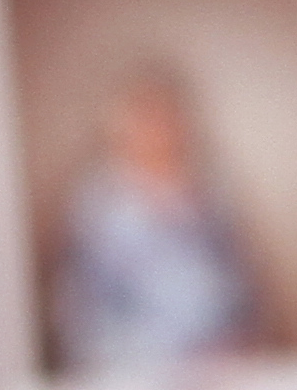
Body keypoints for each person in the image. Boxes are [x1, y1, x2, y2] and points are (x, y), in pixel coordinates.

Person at [51, 67, 262, 372]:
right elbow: (78, 317)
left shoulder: (213, 198)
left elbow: (243, 296)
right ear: (118, 128)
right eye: (145, 117)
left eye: (168, 117)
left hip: (219, 371)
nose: (158, 131)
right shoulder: (95, 210)